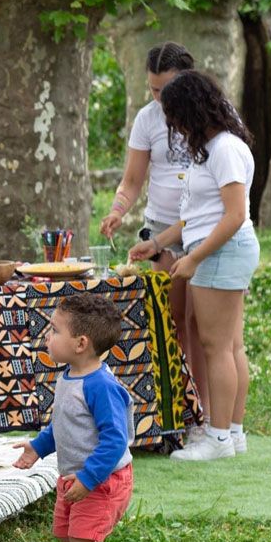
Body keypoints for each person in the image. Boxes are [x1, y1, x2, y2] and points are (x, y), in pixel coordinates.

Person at [130, 70, 259, 461]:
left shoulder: (224, 149)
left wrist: (193, 259)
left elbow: (234, 215)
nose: (173, 125)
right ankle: (232, 432)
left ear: (192, 110)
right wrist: (157, 243)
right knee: (230, 345)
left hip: (221, 251)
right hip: (212, 248)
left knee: (215, 346)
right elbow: (196, 216)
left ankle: (217, 437)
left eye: (175, 115)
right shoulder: (208, 150)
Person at [100, 41, 206, 415]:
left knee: (202, 324)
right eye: (153, 90)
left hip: (203, 227)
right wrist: (117, 211)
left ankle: (207, 411)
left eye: (167, 90)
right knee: (173, 319)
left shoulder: (209, 115)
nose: (160, 98)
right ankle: (178, 407)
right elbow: (131, 181)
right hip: (161, 228)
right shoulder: (147, 118)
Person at [14, 294, 135, 542]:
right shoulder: (69, 375)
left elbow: (115, 441)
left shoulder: (101, 386)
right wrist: (37, 448)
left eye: (54, 331)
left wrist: (89, 479)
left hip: (102, 480)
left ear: (80, 344)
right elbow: (64, 424)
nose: (48, 337)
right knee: (68, 536)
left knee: (82, 539)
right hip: (77, 478)